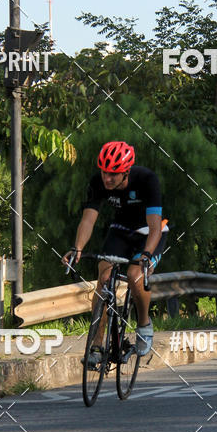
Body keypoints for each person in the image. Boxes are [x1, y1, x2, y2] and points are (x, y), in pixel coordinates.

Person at [62, 141, 168, 363]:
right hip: (120, 230)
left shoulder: (146, 180)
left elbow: (156, 227)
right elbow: (88, 219)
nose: (106, 178)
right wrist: (77, 248)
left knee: (134, 276)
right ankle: (97, 345)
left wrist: (146, 255)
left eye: (113, 174)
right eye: (104, 172)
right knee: (103, 278)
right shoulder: (98, 182)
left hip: (149, 231)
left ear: (126, 172)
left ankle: (144, 324)